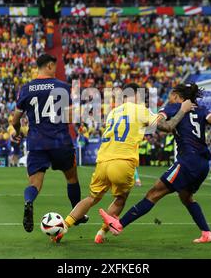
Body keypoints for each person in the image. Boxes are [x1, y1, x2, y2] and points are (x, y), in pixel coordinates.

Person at [100, 83, 211, 243]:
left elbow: (160, 123)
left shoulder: (173, 107)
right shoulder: (202, 109)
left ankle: (119, 224)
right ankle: (207, 233)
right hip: (203, 163)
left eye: (171, 94)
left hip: (187, 161)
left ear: (177, 96)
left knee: (153, 193)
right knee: (186, 197)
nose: (169, 97)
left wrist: (149, 117)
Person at [53, 83, 195, 244]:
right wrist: (183, 109)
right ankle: (101, 233)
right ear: (138, 96)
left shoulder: (113, 112)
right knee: (121, 198)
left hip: (102, 161)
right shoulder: (141, 110)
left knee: (91, 198)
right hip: (123, 162)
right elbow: (168, 126)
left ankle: (64, 225)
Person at [11, 54, 88, 233]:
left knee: (34, 184)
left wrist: (17, 132)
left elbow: (15, 119)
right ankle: (77, 214)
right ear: (50, 65)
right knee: (71, 178)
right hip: (60, 141)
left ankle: (29, 202)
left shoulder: (26, 89)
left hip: (37, 143)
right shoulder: (62, 87)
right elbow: (69, 117)